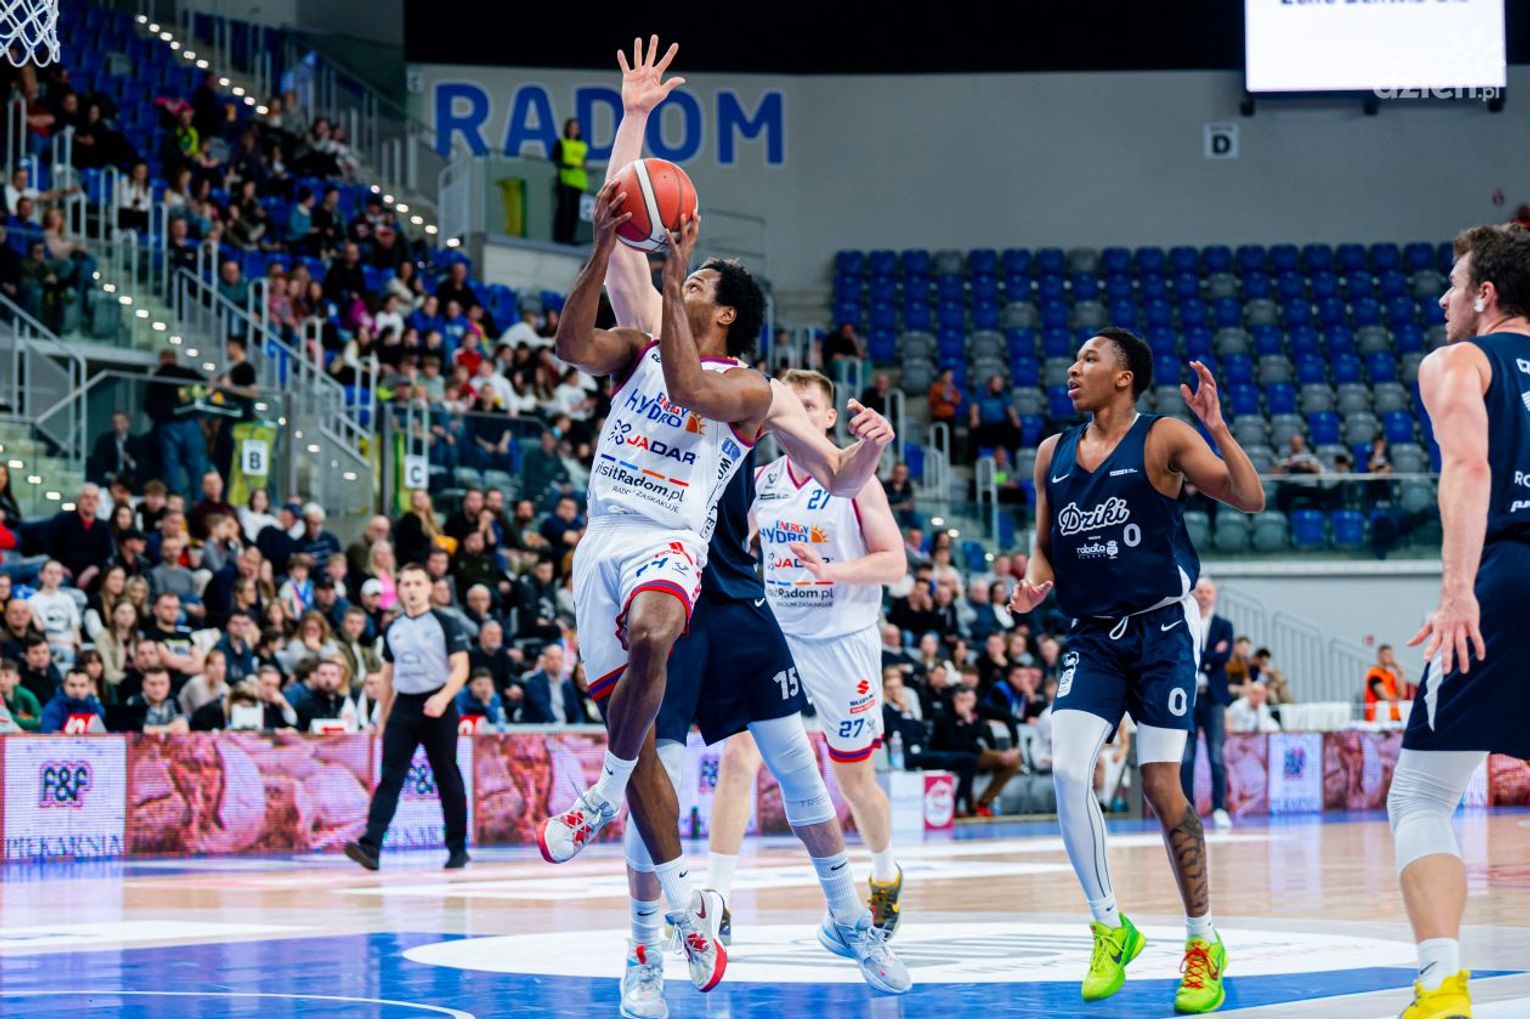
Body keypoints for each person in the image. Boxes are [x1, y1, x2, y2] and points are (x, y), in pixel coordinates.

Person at [575, 38, 906, 1014]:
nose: (681, 280)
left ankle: (852, 920)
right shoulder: (654, 338)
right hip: (664, 582)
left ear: (724, 316)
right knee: (660, 782)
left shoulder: (755, 390)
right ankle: (645, 948)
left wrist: (867, 451)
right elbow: (620, 230)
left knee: (799, 769)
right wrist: (633, 119)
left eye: (698, 280)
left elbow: (836, 473)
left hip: (732, 592)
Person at [1007, 326, 1264, 1012]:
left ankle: (1202, 942)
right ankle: (1109, 926)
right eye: (1074, 357)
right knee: (1068, 770)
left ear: (1124, 377)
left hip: (1162, 631)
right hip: (1092, 635)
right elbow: (1043, 545)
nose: (1073, 368)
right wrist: (1033, 583)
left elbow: (1249, 498)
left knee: (1159, 784)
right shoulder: (1052, 453)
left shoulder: (1163, 437)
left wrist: (1217, 429)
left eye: (1089, 358)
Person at [1383, 224, 1530, 1019]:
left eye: (1454, 282)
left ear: (1486, 295)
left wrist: (1457, 588)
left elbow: (1470, 465)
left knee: (1421, 795)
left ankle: (1442, 983)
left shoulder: (1460, 362)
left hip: (1507, 573)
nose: (1443, 297)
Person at [709, 368, 908, 931]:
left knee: (855, 782)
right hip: (779, 636)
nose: (796, 412)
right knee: (739, 755)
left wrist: (833, 571)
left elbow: (894, 563)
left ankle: (885, 874)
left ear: (827, 418)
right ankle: (717, 897)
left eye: (809, 405)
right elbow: (731, 543)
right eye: (788, 403)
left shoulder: (856, 479)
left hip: (844, 642)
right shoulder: (762, 480)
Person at [344, 563, 472, 871]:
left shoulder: (445, 622)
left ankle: (457, 848)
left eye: (417, 583)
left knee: (447, 776)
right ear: (399, 590)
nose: (412, 589)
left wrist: (443, 697)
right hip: (405, 705)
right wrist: (383, 718)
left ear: (428, 588)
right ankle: (371, 846)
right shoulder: (393, 628)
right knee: (390, 776)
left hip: (438, 703)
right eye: (406, 584)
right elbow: (388, 676)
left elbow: (461, 667)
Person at [1181, 577, 1235, 831]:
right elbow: (1184, 653)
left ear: (1214, 596)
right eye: (1200, 591)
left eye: (1208, 591)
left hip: (1213, 698)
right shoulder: (1184, 620)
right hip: (1189, 697)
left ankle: (1219, 808)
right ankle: (1186, 809)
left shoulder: (1224, 626)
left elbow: (1223, 657)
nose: (1203, 595)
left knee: (1215, 756)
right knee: (1186, 757)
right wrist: (1210, 656)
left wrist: (1201, 656)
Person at [551, 117, 587, 245]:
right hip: (565, 181)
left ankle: (570, 238)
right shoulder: (561, 142)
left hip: (578, 182)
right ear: (567, 129)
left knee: (574, 212)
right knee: (563, 210)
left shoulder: (582, 145)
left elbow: (583, 162)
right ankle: (560, 238)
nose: (574, 130)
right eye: (572, 128)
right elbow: (556, 160)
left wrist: (581, 166)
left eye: (576, 128)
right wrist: (571, 166)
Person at [40, 667, 107, 733]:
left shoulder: (96, 709)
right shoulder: (52, 709)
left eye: (82, 685)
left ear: (89, 687)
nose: (77, 690)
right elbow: (48, 735)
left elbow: (103, 737)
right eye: (72, 685)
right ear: (64, 685)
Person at [88, 411, 145, 488]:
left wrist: (129, 461)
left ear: (128, 424)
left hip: (131, 481)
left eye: (121, 422)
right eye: (115, 422)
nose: (117, 426)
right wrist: (110, 476)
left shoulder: (136, 442)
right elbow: (98, 463)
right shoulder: (104, 441)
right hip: (109, 480)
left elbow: (141, 466)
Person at [1366, 643, 1407, 723]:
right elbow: (1384, 697)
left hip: (1395, 716)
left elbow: (1402, 693)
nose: (1390, 658)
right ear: (1379, 655)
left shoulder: (1390, 674)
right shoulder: (1374, 674)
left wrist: (1399, 671)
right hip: (1380, 718)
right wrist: (1397, 698)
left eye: (1391, 655)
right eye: (1387, 655)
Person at [0, 659, 41, 731]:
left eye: (7, 676)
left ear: (17, 679)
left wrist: (12, 719)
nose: (2, 680)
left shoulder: (27, 696)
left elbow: (37, 720)